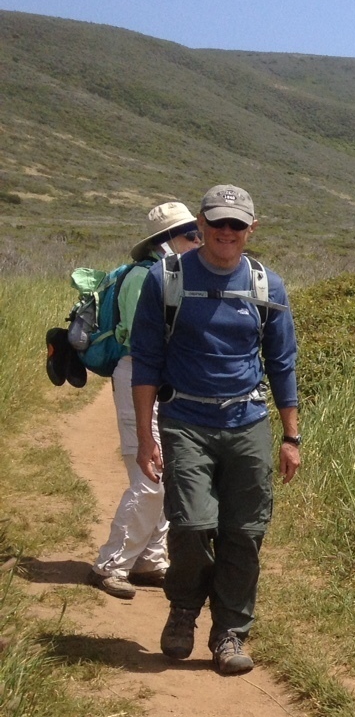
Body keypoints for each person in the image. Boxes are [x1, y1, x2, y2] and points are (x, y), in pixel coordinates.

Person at [130, 185, 300, 676]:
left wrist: (291, 438)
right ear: (200, 224)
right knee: (189, 527)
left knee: (244, 534)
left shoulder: (269, 285)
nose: (227, 233)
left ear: (252, 228)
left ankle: (229, 633)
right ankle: (183, 610)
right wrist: (147, 438)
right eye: (218, 223)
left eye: (237, 225)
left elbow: (282, 363)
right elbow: (146, 362)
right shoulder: (166, 279)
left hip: (247, 423)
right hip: (186, 421)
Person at [88, 203, 203, 599]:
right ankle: (111, 563)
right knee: (150, 473)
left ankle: (150, 560)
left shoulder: (168, 274)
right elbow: (149, 342)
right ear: (167, 240)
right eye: (192, 235)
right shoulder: (146, 278)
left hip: (158, 380)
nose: (198, 241)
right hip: (141, 377)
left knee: (164, 470)